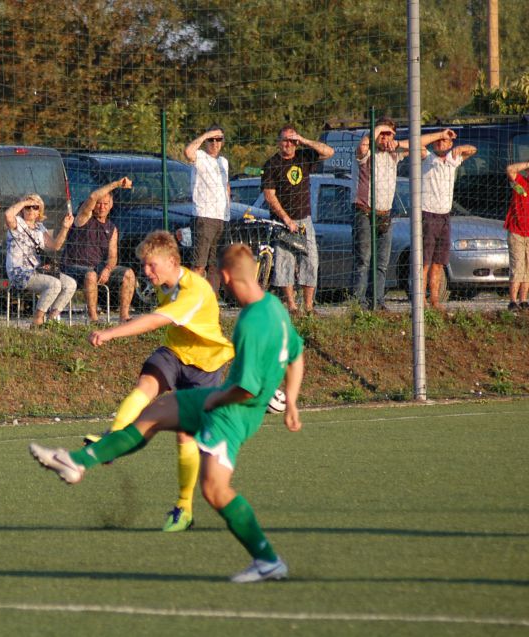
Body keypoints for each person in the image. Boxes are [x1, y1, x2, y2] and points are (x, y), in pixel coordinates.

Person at [31, 242, 305, 583]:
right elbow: (295, 354)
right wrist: (291, 402)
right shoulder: (275, 308)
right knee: (154, 412)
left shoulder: (250, 322)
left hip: (232, 413)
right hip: (221, 396)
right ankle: (78, 462)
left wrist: (213, 403)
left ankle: (267, 560)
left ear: (224, 277)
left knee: (216, 491)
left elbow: (247, 389)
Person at [83, 230, 234, 532]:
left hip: (205, 365)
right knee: (146, 386)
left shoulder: (194, 291)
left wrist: (111, 332)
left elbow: (155, 320)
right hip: (175, 351)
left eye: (151, 266)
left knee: (184, 436)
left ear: (172, 261)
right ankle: (113, 438)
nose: (146, 271)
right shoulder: (166, 283)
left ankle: (184, 507)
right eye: (144, 266)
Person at [351, 121, 448, 310]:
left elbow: (418, 144)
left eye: (389, 135)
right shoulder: (366, 152)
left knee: (382, 263)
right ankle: (359, 303)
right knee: (363, 260)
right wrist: (377, 130)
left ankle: (377, 301)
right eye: (382, 135)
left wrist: (439, 135)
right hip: (364, 212)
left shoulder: (394, 153)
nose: (385, 138)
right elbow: (362, 147)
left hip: (385, 214)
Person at [262, 124, 334, 315]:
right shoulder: (272, 164)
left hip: (304, 220)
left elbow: (329, 152)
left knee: (310, 260)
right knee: (285, 263)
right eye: (284, 140)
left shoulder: (304, 157)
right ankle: (292, 306)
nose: (288, 144)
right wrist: (286, 219)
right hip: (283, 222)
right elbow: (269, 195)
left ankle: (309, 306)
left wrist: (303, 140)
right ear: (279, 142)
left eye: (291, 140)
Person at [60, 177, 136, 323]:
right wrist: (116, 184)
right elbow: (93, 196)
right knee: (91, 276)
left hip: (98, 268)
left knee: (129, 274)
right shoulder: (83, 217)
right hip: (74, 267)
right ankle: (94, 319)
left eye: (105, 204)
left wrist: (108, 268)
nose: (102, 207)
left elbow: (113, 256)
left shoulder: (112, 228)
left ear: (111, 205)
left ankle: (124, 316)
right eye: (99, 204)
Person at [420, 129, 477, 310]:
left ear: (450, 144)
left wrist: (459, 147)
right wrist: (439, 134)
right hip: (428, 214)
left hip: (445, 215)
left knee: (438, 262)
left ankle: (435, 300)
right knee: (425, 262)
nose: (440, 143)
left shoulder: (453, 159)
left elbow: (473, 150)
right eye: (438, 140)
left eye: (444, 141)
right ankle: (421, 299)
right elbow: (418, 145)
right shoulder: (427, 158)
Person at [4, 193, 76, 327]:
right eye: (28, 207)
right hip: (20, 272)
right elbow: (8, 214)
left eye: (35, 207)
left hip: (38, 270)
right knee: (54, 284)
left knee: (70, 284)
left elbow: (55, 245)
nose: (31, 210)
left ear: (39, 211)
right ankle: (37, 319)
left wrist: (65, 227)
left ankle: (52, 318)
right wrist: (24, 202)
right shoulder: (17, 223)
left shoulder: (40, 227)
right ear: (23, 209)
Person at [185, 127, 231, 289]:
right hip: (205, 217)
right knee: (199, 265)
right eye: (212, 140)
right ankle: (189, 302)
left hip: (222, 218)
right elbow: (188, 152)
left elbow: (226, 186)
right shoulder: (200, 157)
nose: (215, 143)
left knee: (215, 266)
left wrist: (228, 209)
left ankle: (212, 303)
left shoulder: (223, 162)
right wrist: (206, 135)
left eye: (219, 139)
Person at [504, 160, 529, 311]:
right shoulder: (519, 186)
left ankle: (524, 300)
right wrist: (528, 164)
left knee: (527, 269)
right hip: (517, 232)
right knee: (517, 267)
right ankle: (513, 301)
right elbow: (510, 170)